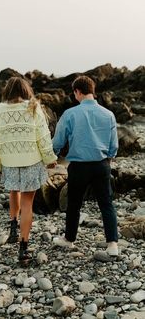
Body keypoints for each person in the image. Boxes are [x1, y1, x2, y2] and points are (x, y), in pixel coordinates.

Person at [0, 77, 57, 263]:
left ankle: (13, 226)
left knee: (13, 190)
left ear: (7, 91)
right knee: (28, 203)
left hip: (9, 161)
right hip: (31, 161)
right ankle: (23, 248)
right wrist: (50, 159)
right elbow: (43, 136)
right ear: (26, 90)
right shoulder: (34, 106)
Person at [52, 75, 119, 256]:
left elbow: (58, 140)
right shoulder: (108, 114)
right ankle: (112, 244)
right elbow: (114, 145)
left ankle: (69, 240)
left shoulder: (70, 114)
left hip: (79, 166)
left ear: (77, 92)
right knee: (106, 203)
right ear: (93, 91)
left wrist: (52, 155)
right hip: (101, 165)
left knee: (74, 204)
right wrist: (108, 159)